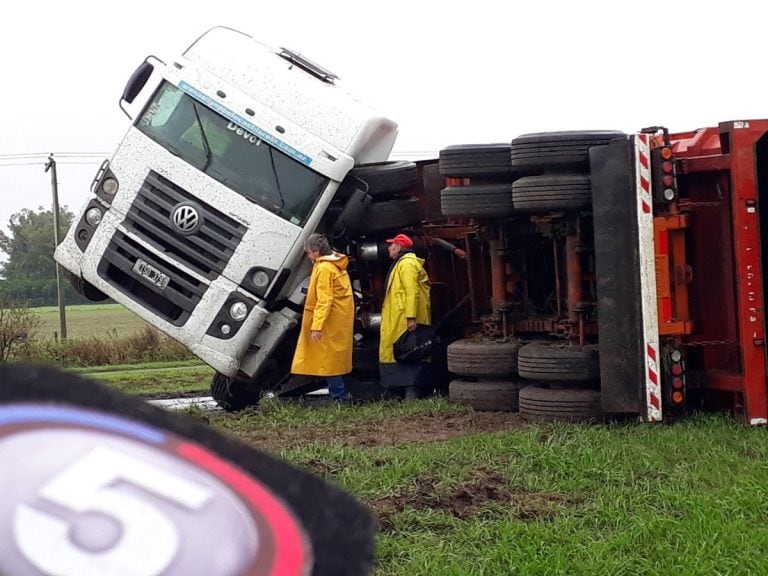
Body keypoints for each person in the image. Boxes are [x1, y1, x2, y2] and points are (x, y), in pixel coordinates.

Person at [291, 233, 354, 402]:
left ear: (316, 252)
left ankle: (339, 397)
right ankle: (340, 395)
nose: (308, 256)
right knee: (333, 359)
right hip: (337, 319)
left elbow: (324, 300)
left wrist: (316, 325)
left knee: (328, 361)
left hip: (329, 321)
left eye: (309, 252)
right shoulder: (334, 265)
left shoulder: (324, 269)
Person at [379, 233, 431, 400]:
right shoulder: (402, 263)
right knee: (402, 352)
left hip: (403, 318)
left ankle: (410, 394)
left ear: (398, 247)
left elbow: (412, 292)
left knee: (407, 352)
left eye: (391, 245)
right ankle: (402, 393)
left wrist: (410, 317)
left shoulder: (407, 264)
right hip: (399, 316)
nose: (388, 248)